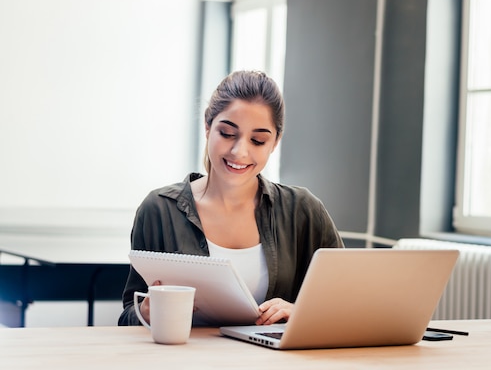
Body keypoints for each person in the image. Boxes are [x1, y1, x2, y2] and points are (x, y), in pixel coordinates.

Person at [118, 70, 344, 326]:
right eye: (227, 134)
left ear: (275, 142)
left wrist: (301, 312)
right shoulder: (159, 209)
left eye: (258, 140)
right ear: (207, 127)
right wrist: (146, 313)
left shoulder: (303, 211)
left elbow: (348, 304)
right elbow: (128, 316)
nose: (240, 152)